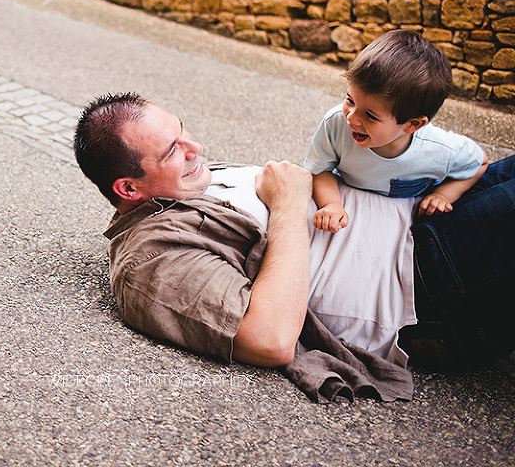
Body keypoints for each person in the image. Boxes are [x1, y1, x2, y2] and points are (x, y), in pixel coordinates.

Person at [73, 92, 515, 402]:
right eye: (173, 150)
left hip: (427, 209)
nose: (196, 148)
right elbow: (269, 339)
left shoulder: (189, 183)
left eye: (183, 131)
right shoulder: (152, 258)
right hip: (422, 279)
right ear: (129, 188)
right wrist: (287, 203)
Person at [304, 30, 488, 233]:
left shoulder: (438, 150)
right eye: (350, 100)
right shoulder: (336, 123)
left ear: (413, 125)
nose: (351, 117)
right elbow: (320, 168)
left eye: (371, 116)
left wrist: (444, 195)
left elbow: (481, 162)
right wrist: (331, 204)